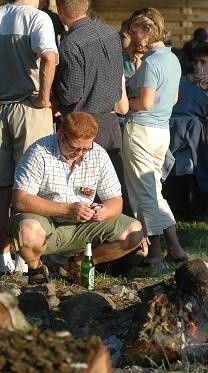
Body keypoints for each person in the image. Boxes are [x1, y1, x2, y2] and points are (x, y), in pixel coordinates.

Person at [8, 112, 144, 285]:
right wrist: (68, 209)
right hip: (45, 224)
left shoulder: (99, 155)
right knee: (27, 229)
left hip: (82, 227)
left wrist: (104, 212)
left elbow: (116, 201)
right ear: (60, 135)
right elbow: (20, 199)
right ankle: (36, 270)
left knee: (134, 232)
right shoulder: (39, 152)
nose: (80, 154)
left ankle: (77, 264)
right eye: (74, 148)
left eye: (86, 148)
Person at [123, 7, 188, 265]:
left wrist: (128, 102)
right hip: (162, 131)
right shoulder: (172, 59)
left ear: (148, 30)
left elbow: (146, 102)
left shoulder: (152, 62)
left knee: (143, 194)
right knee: (154, 190)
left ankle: (155, 252)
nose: (133, 35)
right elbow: (173, 98)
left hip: (141, 129)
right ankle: (175, 247)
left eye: (136, 30)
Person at [54, 0, 130, 215]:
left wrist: (54, 89)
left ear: (60, 9)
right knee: (113, 190)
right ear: (86, 5)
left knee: (85, 192)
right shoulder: (110, 33)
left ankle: (87, 244)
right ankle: (126, 241)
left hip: (84, 126)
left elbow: (71, 93)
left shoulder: (71, 43)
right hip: (111, 121)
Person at [0, 0, 58, 273]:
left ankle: (3, 257)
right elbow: (48, 56)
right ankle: (27, 258)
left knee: (2, 187)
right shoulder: (38, 18)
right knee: (32, 185)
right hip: (27, 107)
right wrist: (44, 98)